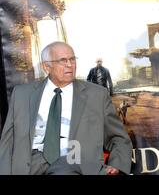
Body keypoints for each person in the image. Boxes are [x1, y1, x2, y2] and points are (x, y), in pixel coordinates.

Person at [0, 42, 132, 175]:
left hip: (73, 162)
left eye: (72, 59)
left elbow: (118, 137)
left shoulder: (97, 95)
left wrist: (117, 166)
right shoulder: (22, 94)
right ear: (46, 67)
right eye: (62, 60)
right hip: (29, 165)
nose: (70, 64)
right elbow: (7, 142)